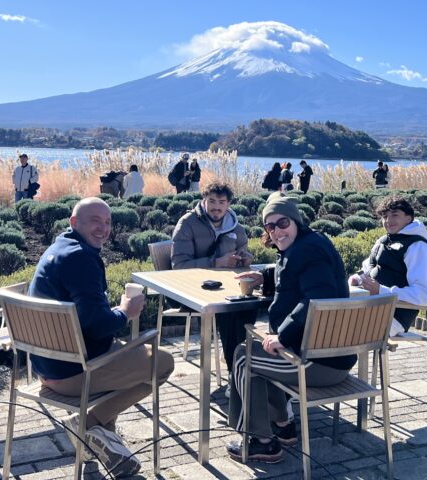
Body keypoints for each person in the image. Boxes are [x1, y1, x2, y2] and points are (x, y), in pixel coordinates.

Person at [28, 198, 175, 476]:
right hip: (75, 373)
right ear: (74, 222)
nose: (103, 228)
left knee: (131, 356)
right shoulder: (81, 258)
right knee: (162, 362)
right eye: (95, 220)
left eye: (107, 222)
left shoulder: (59, 248)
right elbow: (98, 326)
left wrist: (114, 312)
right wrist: (125, 312)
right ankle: (86, 423)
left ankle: (108, 448)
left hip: (48, 367)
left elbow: (84, 316)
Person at [226, 193, 353, 464]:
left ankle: (261, 442)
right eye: (269, 226)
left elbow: (319, 298)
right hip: (332, 356)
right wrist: (267, 275)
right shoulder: (309, 244)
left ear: (295, 220)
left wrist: (283, 336)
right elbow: (302, 274)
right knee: (257, 354)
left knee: (243, 357)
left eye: (282, 222)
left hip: (317, 363)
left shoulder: (307, 250)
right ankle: (282, 427)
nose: (276, 231)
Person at [171, 181, 255, 371]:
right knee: (229, 310)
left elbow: (243, 251)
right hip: (190, 290)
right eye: (212, 201)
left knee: (248, 307)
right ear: (204, 200)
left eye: (222, 202)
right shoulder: (187, 223)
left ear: (228, 204)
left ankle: (237, 361)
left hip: (225, 287)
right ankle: (236, 370)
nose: (216, 206)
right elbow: (179, 266)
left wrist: (244, 259)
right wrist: (216, 263)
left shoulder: (235, 226)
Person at [350, 197, 427, 336]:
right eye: (384, 216)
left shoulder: (418, 247)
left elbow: (425, 295)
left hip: (393, 316)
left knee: (339, 328)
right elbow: (368, 268)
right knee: (325, 320)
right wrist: (356, 278)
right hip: (368, 307)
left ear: (408, 218)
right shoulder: (383, 241)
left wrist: (381, 291)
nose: (388, 221)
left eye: (395, 215)